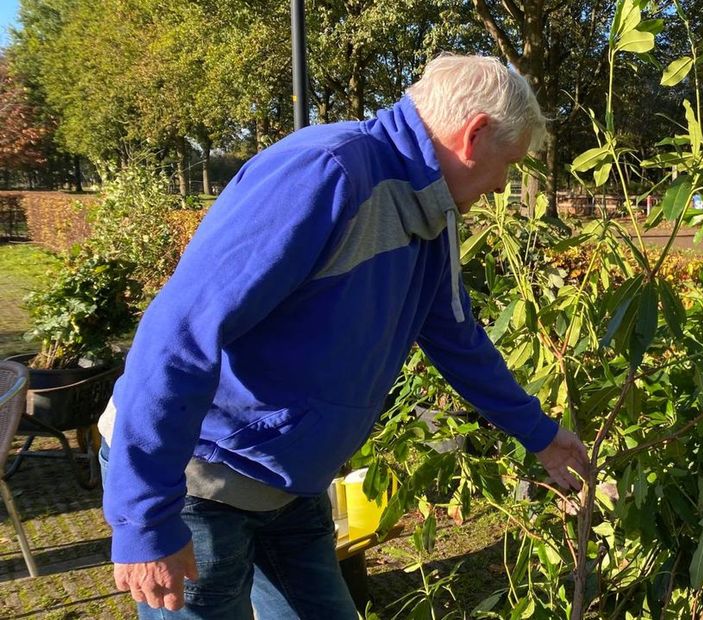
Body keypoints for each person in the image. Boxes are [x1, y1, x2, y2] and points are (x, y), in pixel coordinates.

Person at [97, 54, 590, 619]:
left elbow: (459, 340)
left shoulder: (434, 213)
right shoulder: (326, 174)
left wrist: (542, 435)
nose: (504, 184)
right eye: (508, 163)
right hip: (197, 479)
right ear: (474, 135)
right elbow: (178, 334)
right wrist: (144, 518)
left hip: (288, 487)